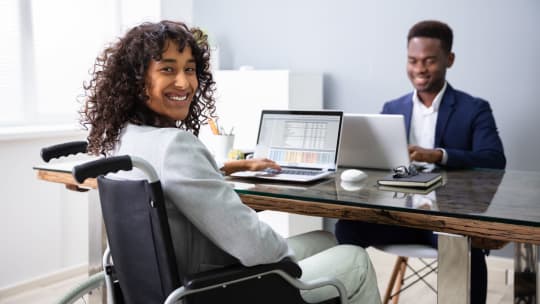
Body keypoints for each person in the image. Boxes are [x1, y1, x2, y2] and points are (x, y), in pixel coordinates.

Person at [80, 20, 380, 303]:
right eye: (168, 69)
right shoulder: (175, 146)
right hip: (214, 289)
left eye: (190, 69)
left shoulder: (122, 140)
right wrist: (287, 263)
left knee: (324, 241)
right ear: (137, 80)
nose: (184, 83)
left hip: (170, 285)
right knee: (355, 258)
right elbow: (250, 245)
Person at [335, 20, 506, 304]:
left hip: (447, 218)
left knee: (465, 245)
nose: (419, 69)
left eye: (429, 61)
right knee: (346, 227)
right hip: (399, 214)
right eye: (412, 61)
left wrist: (437, 154)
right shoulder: (392, 108)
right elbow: (377, 161)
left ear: (449, 60)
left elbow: (494, 160)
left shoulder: (474, 108)